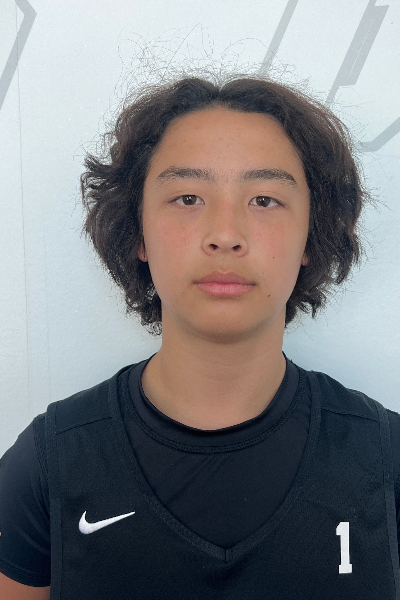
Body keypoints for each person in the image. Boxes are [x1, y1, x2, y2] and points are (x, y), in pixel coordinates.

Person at [1, 72, 399, 600]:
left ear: (311, 234)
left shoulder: (385, 458)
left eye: (264, 199)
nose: (225, 235)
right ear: (139, 232)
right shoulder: (48, 465)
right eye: (188, 197)